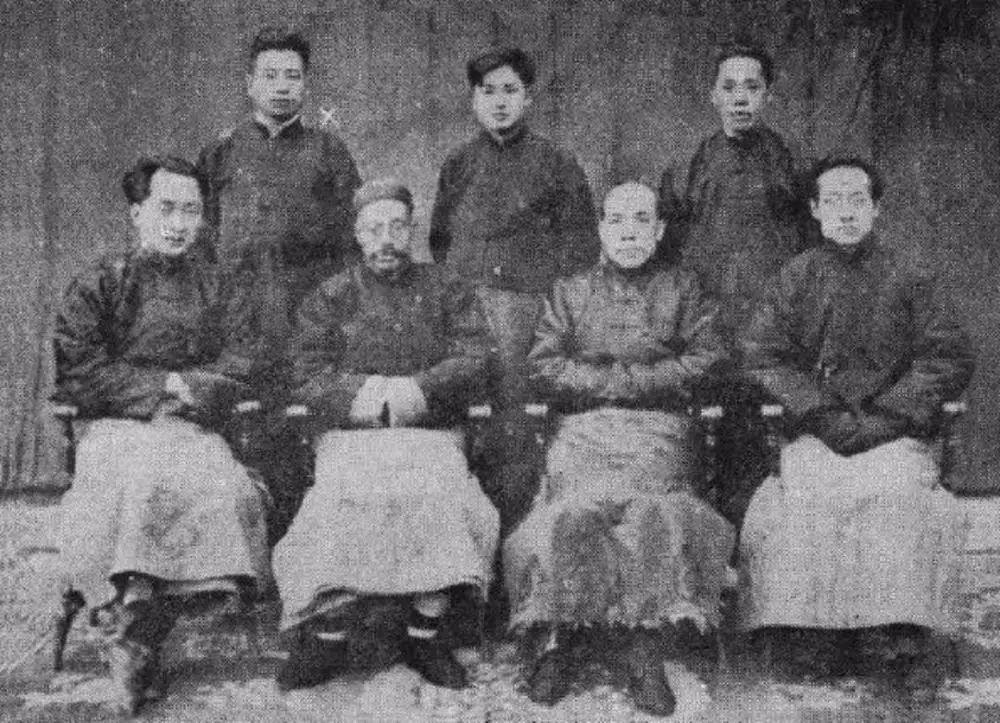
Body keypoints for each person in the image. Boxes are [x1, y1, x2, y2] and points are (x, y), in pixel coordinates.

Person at [737, 157, 975, 697]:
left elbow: (946, 355)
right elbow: (763, 356)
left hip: (895, 431)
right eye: (833, 201)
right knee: (806, 492)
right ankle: (818, 633)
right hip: (818, 430)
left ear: (875, 208)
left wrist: (889, 415)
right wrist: (821, 413)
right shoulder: (795, 278)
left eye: (857, 200)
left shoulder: (912, 276)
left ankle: (899, 634)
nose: (845, 213)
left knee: (898, 495)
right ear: (815, 209)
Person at [503, 181, 734, 716]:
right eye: (617, 221)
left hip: (660, 427)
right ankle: (561, 632)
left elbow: (708, 357)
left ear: (660, 230)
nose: (629, 232)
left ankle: (643, 644)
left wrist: (631, 384)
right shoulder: (569, 292)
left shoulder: (684, 289)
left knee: (648, 508)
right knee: (573, 507)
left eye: (641, 220)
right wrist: (613, 386)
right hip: (584, 427)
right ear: (601, 229)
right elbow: (544, 362)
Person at [52, 157, 271, 714]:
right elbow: (79, 368)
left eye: (191, 211)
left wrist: (192, 388)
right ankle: (136, 624)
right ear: (137, 213)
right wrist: (159, 386)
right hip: (114, 425)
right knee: (135, 483)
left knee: (219, 486)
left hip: (192, 424)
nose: (178, 224)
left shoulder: (219, 285)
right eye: (166, 209)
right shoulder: (102, 282)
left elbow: (244, 359)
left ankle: (138, 630)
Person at [272, 180, 499, 691]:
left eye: (397, 226)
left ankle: (425, 630)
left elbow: (475, 357)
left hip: (430, 431)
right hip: (352, 434)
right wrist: (367, 393)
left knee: (440, 496)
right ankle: (329, 634)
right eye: (373, 229)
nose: (386, 240)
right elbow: (305, 371)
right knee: (340, 499)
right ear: (357, 234)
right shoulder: (330, 296)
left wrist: (417, 389)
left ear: (412, 229)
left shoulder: (447, 289)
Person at [197, 26, 361, 544]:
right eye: (270, 76)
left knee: (303, 429)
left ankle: (302, 551)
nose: (282, 86)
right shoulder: (220, 154)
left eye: (293, 76)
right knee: (240, 428)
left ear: (306, 85)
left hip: (305, 314)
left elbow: (352, 244)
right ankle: (243, 551)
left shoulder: (329, 152)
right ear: (249, 83)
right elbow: (201, 242)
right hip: (238, 318)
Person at [429, 46, 600, 537]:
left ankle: (517, 539)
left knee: (517, 426)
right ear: (473, 99)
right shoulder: (459, 164)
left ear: (528, 98)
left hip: (529, 316)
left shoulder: (557, 163)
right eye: (488, 92)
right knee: (462, 417)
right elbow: (440, 241)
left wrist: (536, 302)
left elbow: (582, 248)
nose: (499, 102)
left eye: (510, 90)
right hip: (467, 315)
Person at [659, 41, 807, 526]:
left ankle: (762, 541)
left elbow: (809, 252)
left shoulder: (790, 166)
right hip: (709, 326)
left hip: (771, 327)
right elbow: (667, 254)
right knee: (706, 441)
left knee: (768, 440)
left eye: (752, 87)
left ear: (767, 96)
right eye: (729, 87)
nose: (740, 98)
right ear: (713, 95)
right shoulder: (689, 167)